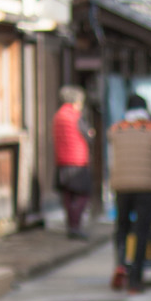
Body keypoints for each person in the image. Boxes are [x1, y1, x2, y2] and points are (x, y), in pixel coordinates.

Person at [107, 93, 151, 294]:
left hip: (122, 186)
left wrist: (115, 180)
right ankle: (135, 279)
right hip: (147, 187)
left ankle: (120, 264)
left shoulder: (115, 129)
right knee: (142, 231)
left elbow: (111, 162)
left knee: (122, 227)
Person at [52, 85, 94, 239]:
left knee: (68, 195)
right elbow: (88, 136)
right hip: (78, 160)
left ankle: (71, 225)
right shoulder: (76, 116)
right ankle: (76, 226)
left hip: (62, 160)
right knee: (83, 194)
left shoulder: (58, 116)